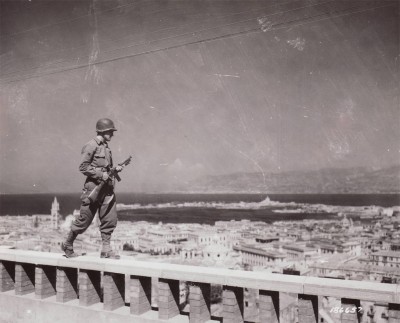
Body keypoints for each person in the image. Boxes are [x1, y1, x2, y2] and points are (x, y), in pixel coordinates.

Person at [61, 118, 123, 259]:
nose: (112, 134)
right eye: (110, 132)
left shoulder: (106, 147)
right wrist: (102, 174)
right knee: (85, 219)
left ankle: (106, 250)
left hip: (107, 189)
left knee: (109, 219)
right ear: (103, 131)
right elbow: (83, 167)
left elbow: (105, 168)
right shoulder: (91, 145)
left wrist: (115, 170)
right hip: (93, 188)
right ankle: (68, 244)